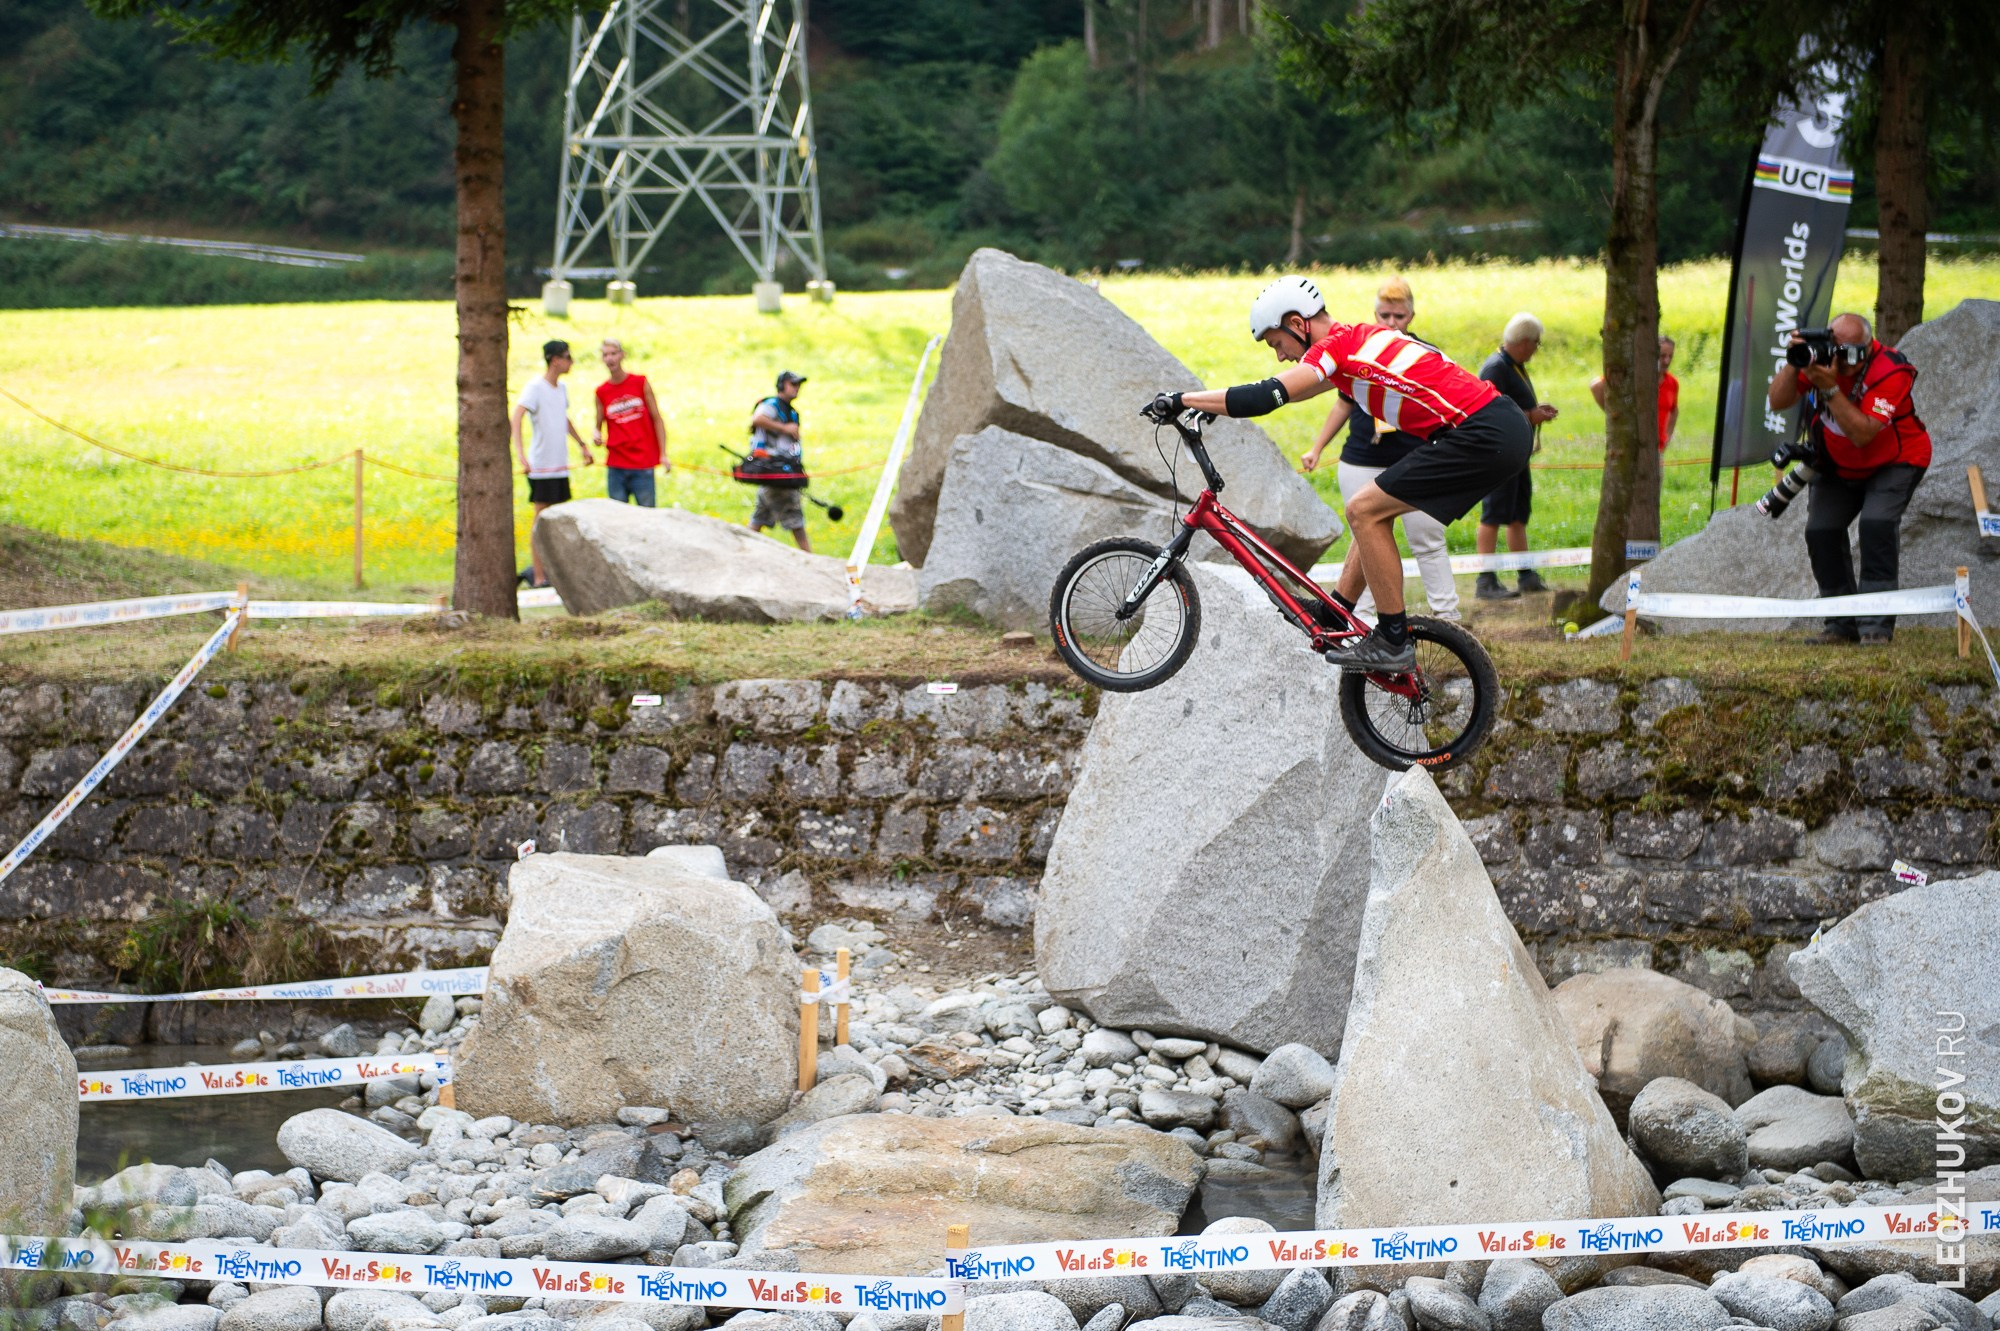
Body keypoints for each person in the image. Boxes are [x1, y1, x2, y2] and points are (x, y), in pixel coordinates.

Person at [1158, 275, 1532, 670]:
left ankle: (1392, 640)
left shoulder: (1336, 347)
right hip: (1493, 428)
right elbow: (1293, 392)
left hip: (1485, 432)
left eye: (1277, 343)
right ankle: (1336, 612)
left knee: (1362, 508)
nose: (1281, 356)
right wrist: (1209, 406)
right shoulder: (1351, 348)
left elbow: (1266, 395)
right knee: (1372, 509)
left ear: (1297, 323)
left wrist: (1181, 399)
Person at [1765, 312, 1932, 645]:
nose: (1842, 363)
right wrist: (1795, 361)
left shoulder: (1891, 371)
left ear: (1868, 348)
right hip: (1837, 464)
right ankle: (1841, 625)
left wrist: (1829, 389)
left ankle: (1875, 627)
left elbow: (1863, 434)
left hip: (1895, 461)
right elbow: (1777, 401)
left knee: (1876, 524)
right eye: (1837, 352)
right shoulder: (1821, 359)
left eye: (1850, 355)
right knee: (1821, 531)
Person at [1302, 276, 1461, 622]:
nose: (1391, 323)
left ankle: (1447, 618)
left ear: (1411, 316)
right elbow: (1343, 404)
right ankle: (1361, 619)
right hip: (1363, 458)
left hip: (1415, 457)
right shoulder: (1361, 350)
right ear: (1374, 314)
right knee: (1365, 539)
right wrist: (1317, 448)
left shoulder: (1420, 352)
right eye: (1384, 315)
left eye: (1399, 316)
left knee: (1427, 537)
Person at [1473, 313, 1558, 600]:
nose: (1536, 349)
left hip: (1517, 455)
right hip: (1499, 454)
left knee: (1517, 515)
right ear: (1524, 342)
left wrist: (1535, 412)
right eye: (1536, 343)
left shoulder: (1514, 366)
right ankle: (1485, 580)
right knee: (1493, 514)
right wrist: (1531, 415)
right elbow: (1486, 410)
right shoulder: (1496, 368)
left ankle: (1525, 575)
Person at [512, 339, 592, 588]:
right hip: (542, 467)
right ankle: (538, 576)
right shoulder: (535, 387)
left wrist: (582, 444)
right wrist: (521, 454)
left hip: (559, 466)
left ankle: (553, 573)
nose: (571, 362)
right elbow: (517, 415)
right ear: (555, 360)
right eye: (567, 357)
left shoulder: (562, 388)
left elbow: (563, 419)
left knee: (557, 523)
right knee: (540, 522)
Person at [594, 337, 669, 506]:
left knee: (647, 514)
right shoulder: (601, 392)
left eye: (613, 353)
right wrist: (596, 435)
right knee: (617, 515)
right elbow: (598, 425)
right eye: (605, 355)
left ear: (622, 355)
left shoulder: (640, 383)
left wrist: (663, 453)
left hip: (642, 462)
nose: (610, 358)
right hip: (617, 464)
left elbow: (657, 419)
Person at [748, 370, 811, 552]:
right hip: (775, 469)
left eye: (798, 385)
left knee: (759, 518)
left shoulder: (790, 411)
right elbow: (758, 419)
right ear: (782, 385)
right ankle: (810, 557)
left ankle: (741, 551)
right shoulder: (772, 405)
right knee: (795, 518)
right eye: (793, 384)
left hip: (784, 469)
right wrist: (784, 428)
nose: (797, 388)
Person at [1589, 335, 1680, 451]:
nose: (1667, 361)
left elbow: (1674, 411)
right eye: (1662, 356)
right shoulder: (1634, 378)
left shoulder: (1672, 383)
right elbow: (1596, 386)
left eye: (1670, 356)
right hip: (1631, 449)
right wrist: (1615, 414)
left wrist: (1668, 436)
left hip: (1656, 450)